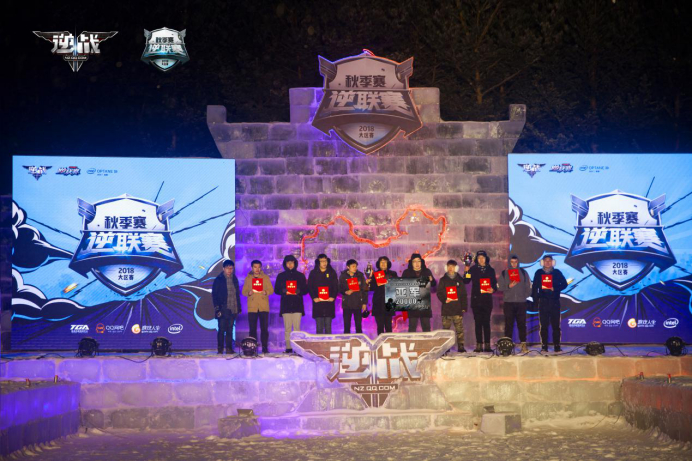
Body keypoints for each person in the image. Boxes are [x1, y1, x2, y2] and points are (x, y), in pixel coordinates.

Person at [463, 250, 498, 353]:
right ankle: (478, 345)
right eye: (479, 258)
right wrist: (466, 270)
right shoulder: (473, 269)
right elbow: (466, 280)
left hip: (487, 301)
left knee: (486, 323)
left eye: (482, 257)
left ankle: (487, 345)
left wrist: (493, 289)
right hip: (476, 300)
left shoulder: (491, 270)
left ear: (486, 258)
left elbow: (495, 284)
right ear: (476, 260)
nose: (481, 260)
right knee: (478, 323)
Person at [531, 255, 568, 352]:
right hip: (543, 302)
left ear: (552, 262)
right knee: (543, 325)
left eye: (549, 261)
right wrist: (536, 301)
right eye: (546, 261)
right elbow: (534, 287)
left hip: (554, 302)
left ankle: (557, 345)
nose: (547, 262)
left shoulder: (557, 272)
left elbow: (564, 284)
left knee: (556, 325)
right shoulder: (539, 272)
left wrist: (554, 288)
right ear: (543, 262)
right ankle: (544, 345)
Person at [498, 255, 532, 353]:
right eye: (512, 262)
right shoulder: (504, 273)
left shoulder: (523, 273)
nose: (514, 264)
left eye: (515, 262)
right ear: (509, 262)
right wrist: (509, 286)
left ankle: (523, 345)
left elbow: (529, 286)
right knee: (509, 325)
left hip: (521, 303)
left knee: (522, 324)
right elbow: (499, 287)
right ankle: (507, 346)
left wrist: (524, 296)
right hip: (508, 303)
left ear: (518, 262)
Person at [274, 255, 308, 354]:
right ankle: (288, 348)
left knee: (297, 329)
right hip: (286, 305)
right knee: (287, 329)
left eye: (292, 262)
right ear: (285, 264)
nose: (290, 264)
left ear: (295, 263)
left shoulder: (300, 276)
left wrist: (298, 291)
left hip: (297, 305)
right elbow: (276, 290)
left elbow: (306, 290)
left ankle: (297, 349)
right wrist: (284, 291)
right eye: (288, 262)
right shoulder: (281, 276)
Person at [241, 259, 274, 355]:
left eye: (259, 267)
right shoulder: (248, 278)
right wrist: (249, 293)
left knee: (264, 329)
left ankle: (264, 348)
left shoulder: (265, 277)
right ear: (252, 268)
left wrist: (266, 292)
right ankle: (252, 349)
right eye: (255, 267)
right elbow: (243, 292)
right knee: (252, 329)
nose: (257, 269)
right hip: (252, 307)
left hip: (263, 307)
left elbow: (271, 290)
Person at [436, 259, 467, 353]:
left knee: (459, 330)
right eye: (449, 266)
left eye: (452, 266)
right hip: (446, 309)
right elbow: (439, 293)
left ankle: (461, 346)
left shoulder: (460, 280)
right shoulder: (443, 280)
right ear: (446, 267)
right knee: (446, 331)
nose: (450, 268)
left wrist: (464, 307)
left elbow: (463, 294)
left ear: (455, 268)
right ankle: (446, 347)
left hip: (457, 309)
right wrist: (445, 299)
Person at [211, 260, 241, 354]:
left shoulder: (234, 278)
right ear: (223, 268)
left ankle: (229, 348)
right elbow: (214, 295)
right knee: (221, 330)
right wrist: (217, 308)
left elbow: (237, 294)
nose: (230, 270)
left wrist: (239, 307)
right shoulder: (219, 279)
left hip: (233, 308)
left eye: (231, 268)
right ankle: (220, 349)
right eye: (228, 268)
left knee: (230, 329)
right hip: (223, 308)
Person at [401, 253, 437, 332]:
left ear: (421, 262)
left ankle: (427, 340)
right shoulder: (407, 272)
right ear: (411, 263)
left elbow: (434, 285)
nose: (417, 263)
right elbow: (402, 287)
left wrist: (432, 280)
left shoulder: (426, 271)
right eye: (414, 261)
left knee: (426, 327)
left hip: (424, 304)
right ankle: (412, 340)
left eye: (418, 261)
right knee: (412, 327)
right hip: (412, 304)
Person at [307, 254, 339, 334]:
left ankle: (328, 342)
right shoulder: (313, 273)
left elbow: (336, 286)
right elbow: (310, 287)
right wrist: (314, 297)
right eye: (322, 261)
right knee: (319, 327)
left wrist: (333, 297)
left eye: (325, 261)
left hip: (329, 303)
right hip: (318, 303)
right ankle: (319, 342)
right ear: (318, 262)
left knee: (328, 327)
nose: (324, 263)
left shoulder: (332, 272)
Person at [339, 259, 369, 334]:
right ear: (348, 267)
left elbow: (364, 290)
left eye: (356, 266)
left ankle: (359, 340)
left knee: (358, 326)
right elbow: (339, 288)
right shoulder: (343, 276)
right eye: (353, 266)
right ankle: (347, 339)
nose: (355, 268)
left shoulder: (360, 275)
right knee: (346, 326)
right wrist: (345, 292)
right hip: (347, 304)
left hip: (358, 303)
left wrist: (364, 303)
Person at [369, 256, 397, 335]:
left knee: (389, 326)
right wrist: (371, 282)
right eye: (381, 262)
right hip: (378, 302)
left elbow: (398, 285)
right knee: (380, 326)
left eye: (385, 262)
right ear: (379, 264)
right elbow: (371, 288)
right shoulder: (375, 274)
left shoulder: (393, 273)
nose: (383, 264)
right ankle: (380, 342)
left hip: (389, 302)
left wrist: (390, 282)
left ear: (388, 263)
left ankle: (389, 341)